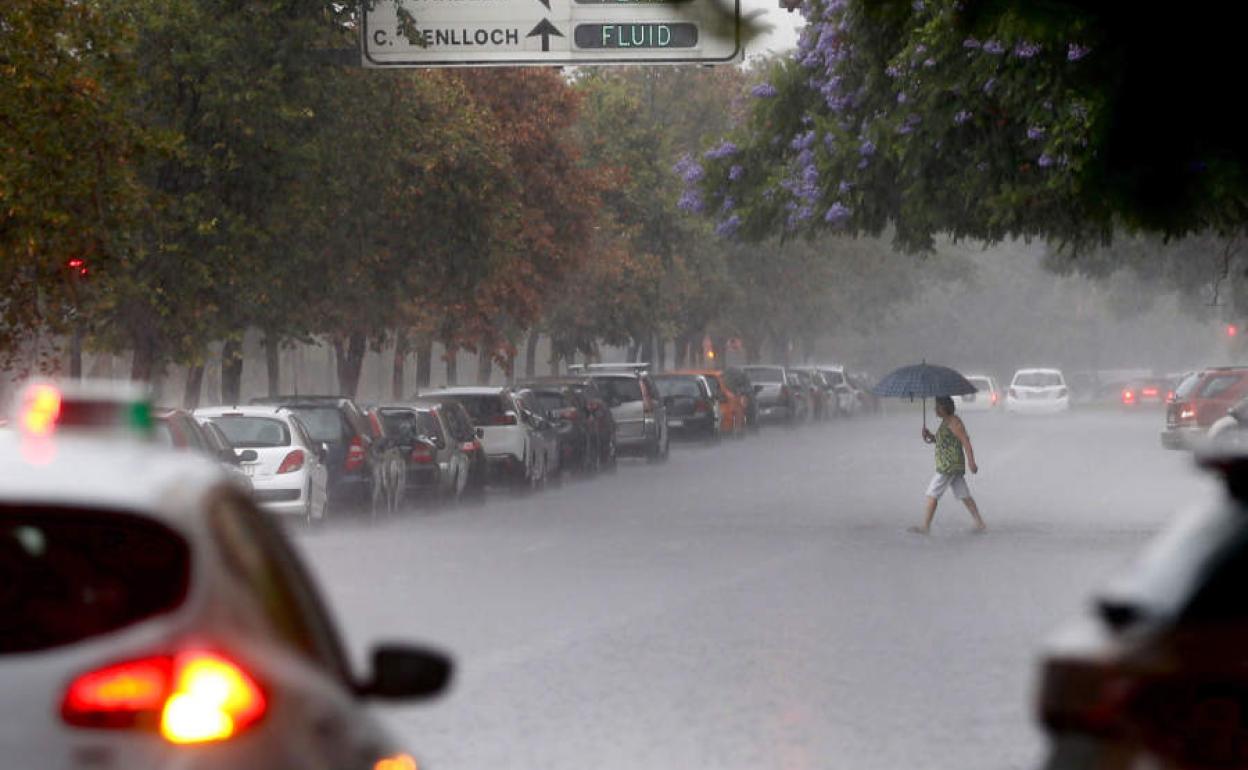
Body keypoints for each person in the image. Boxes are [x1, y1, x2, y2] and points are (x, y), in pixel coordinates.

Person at [910, 395, 986, 534]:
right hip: (950, 465)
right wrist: (930, 436)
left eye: (937, 406)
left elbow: (965, 442)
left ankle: (925, 527)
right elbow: (943, 441)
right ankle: (980, 523)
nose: (935, 409)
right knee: (964, 494)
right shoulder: (946, 421)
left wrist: (971, 462)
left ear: (944, 408)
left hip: (948, 466)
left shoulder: (954, 422)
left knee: (932, 493)